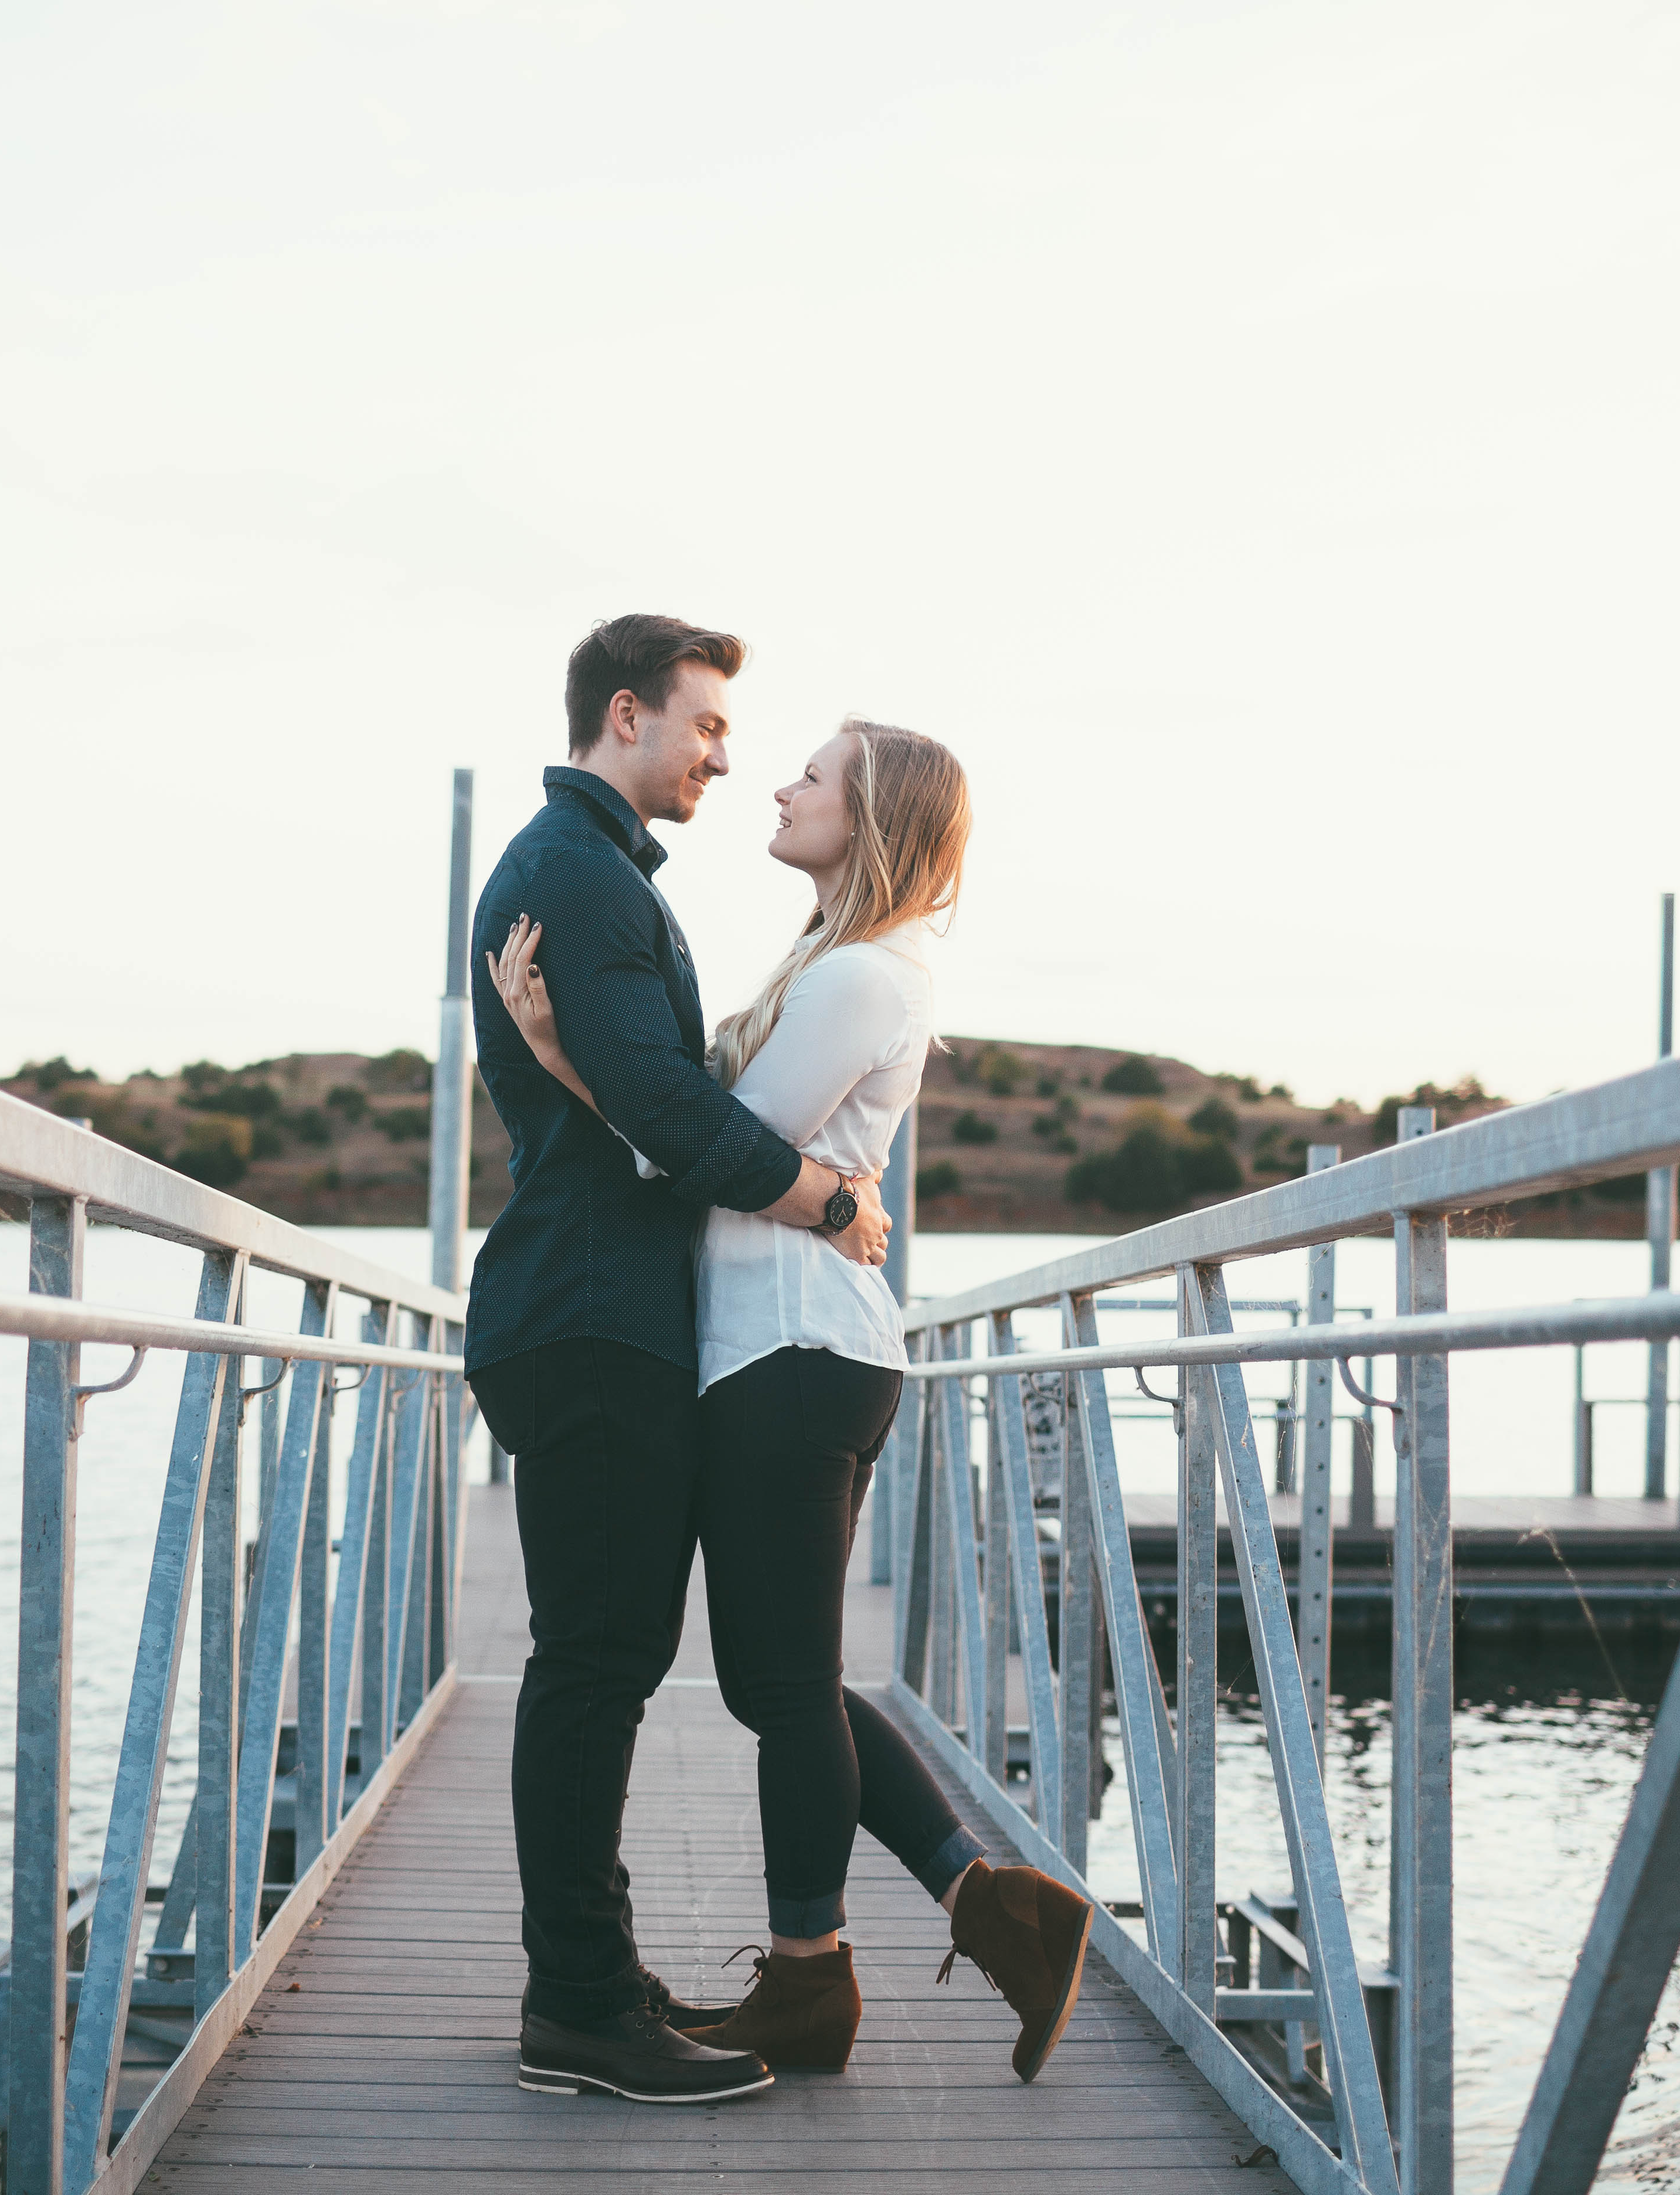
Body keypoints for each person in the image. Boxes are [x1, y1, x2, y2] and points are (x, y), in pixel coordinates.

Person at [491, 715, 1094, 2086]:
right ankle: (981, 1906)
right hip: (773, 1349)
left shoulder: (869, 977)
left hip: (797, 1353)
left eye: (812, 776)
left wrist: (563, 1056)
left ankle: (811, 1976)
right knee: (786, 1683)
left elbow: (710, 1148)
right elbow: (716, 1128)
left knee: (785, 1690)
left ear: (872, 816)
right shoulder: (831, 964)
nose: (778, 782)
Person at [464, 614, 892, 2108]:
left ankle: (587, 1979)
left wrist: (594, 1077)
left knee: (608, 1665)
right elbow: (668, 1107)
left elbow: (637, 1096)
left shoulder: (588, 871)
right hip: (589, 1317)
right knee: (594, 1668)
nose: (726, 755)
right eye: (708, 725)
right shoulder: (578, 874)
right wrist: (833, 1201)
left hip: (600, 1311)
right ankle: (578, 2006)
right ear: (628, 715)